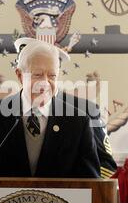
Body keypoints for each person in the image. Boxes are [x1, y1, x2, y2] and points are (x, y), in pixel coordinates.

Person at [0, 40, 100, 178]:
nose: (45, 82)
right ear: (19, 75)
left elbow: (91, 185)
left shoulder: (78, 121)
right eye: (38, 74)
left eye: (52, 76)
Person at [13, 37, 117, 179]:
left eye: (50, 73)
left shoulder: (84, 110)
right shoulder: (0, 113)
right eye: (36, 73)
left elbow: (105, 164)